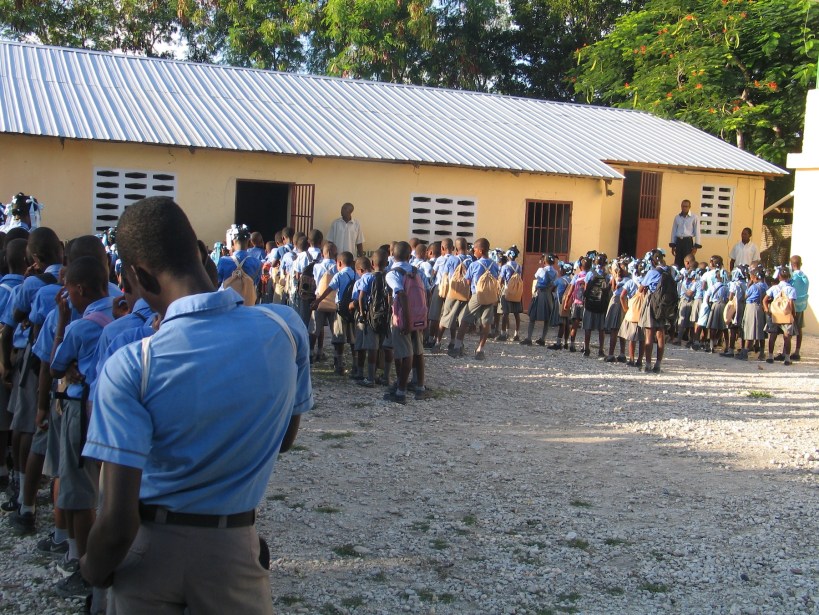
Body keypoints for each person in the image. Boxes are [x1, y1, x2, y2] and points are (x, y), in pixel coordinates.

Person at [80, 197, 312, 613]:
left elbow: (117, 523)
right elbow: (285, 439)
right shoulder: (285, 330)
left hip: (148, 554)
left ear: (139, 276)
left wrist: (91, 569)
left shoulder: (133, 365)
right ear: (201, 256)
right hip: (236, 548)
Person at [669, 199, 701, 269]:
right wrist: (673, 245)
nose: (684, 208)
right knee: (678, 261)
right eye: (683, 206)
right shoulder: (677, 217)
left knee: (688, 261)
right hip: (679, 242)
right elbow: (674, 231)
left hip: (688, 242)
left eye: (686, 206)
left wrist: (696, 246)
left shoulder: (694, 217)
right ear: (681, 206)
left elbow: (697, 232)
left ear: (689, 207)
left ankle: (687, 276)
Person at [789, 255, 809, 360]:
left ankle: (785, 352)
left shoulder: (792, 277)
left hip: (792, 307)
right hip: (801, 306)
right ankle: (797, 351)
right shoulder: (804, 277)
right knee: (799, 328)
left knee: (788, 330)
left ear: (792, 265)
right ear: (801, 264)